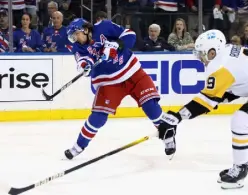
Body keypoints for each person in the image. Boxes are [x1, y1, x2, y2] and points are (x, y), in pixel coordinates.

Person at [157, 29, 248, 189]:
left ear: (212, 52)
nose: (200, 58)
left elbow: (206, 101)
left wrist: (176, 117)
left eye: (201, 53)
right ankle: (242, 167)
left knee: (241, 121)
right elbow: (230, 91)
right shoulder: (229, 53)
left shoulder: (220, 66)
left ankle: (239, 170)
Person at [64, 18, 179, 160]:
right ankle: (78, 146)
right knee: (98, 117)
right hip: (108, 81)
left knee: (151, 108)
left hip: (132, 72)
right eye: (73, 36)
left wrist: (117, 44)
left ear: (86, 30)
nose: (75, 39)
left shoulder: (104, 26)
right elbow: (82, 60)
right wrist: (85, 66)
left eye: (76, 34)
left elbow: (130, 35)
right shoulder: (77, 47)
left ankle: (168, 138)